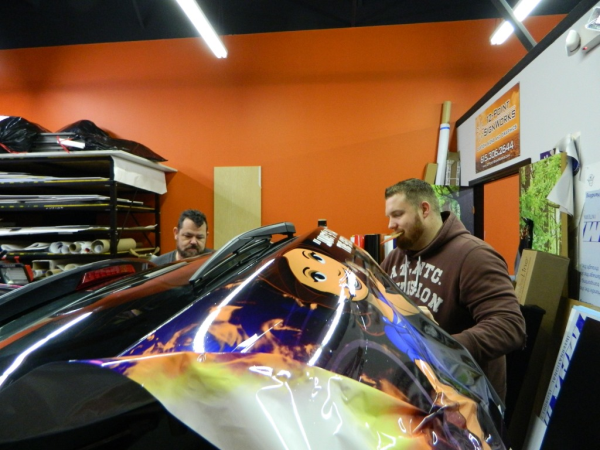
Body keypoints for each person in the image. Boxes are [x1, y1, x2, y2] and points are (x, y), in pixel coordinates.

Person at [380, 178, 526, 402]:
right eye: (389, 216)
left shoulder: (474, 256)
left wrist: (440, 344)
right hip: (419, 393)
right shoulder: (396, 258)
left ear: (424, 209)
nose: (390, 224)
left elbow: (510, 326)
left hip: (467, 403)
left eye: (398, 214)